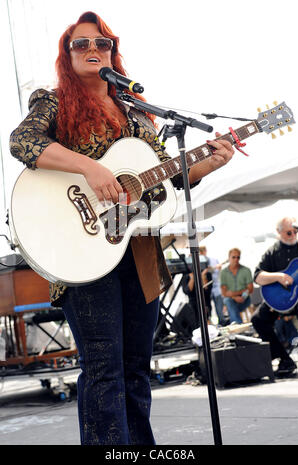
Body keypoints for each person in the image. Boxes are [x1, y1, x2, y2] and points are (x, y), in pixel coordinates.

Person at [9, 11, 234, 445]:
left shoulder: (136, 113)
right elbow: (24, 142)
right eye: (82, 44)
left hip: (140, 251)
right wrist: (89, 168)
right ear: (67, 54)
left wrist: (206, 162)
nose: (94, 50)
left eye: (103, 43)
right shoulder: (52, 101)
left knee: (135, 368)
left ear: (114, 52)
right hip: (83, 251)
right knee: (103, 369)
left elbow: (163, 177)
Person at [251, 217, 298, 377]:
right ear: (279, 232)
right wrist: (279, 277)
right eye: (288, 232)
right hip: (279, 300)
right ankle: (285, 359)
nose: (293, 234)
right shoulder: (272, 251)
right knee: (258, 320)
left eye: (295, 231)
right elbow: (258, 276)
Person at [220, 248, 253, 324]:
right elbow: (224, 293)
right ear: (229, 258)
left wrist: (242, 296)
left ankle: (236, 325)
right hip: (231, 299)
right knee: (229, 302)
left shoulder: (246, 270)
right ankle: (238, 324)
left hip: (245, 299)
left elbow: (250, 289)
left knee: (230, 307)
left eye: (238, 257)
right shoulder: (223, 272)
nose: (236, 259)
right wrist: (235, 296)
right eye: (233, 257)